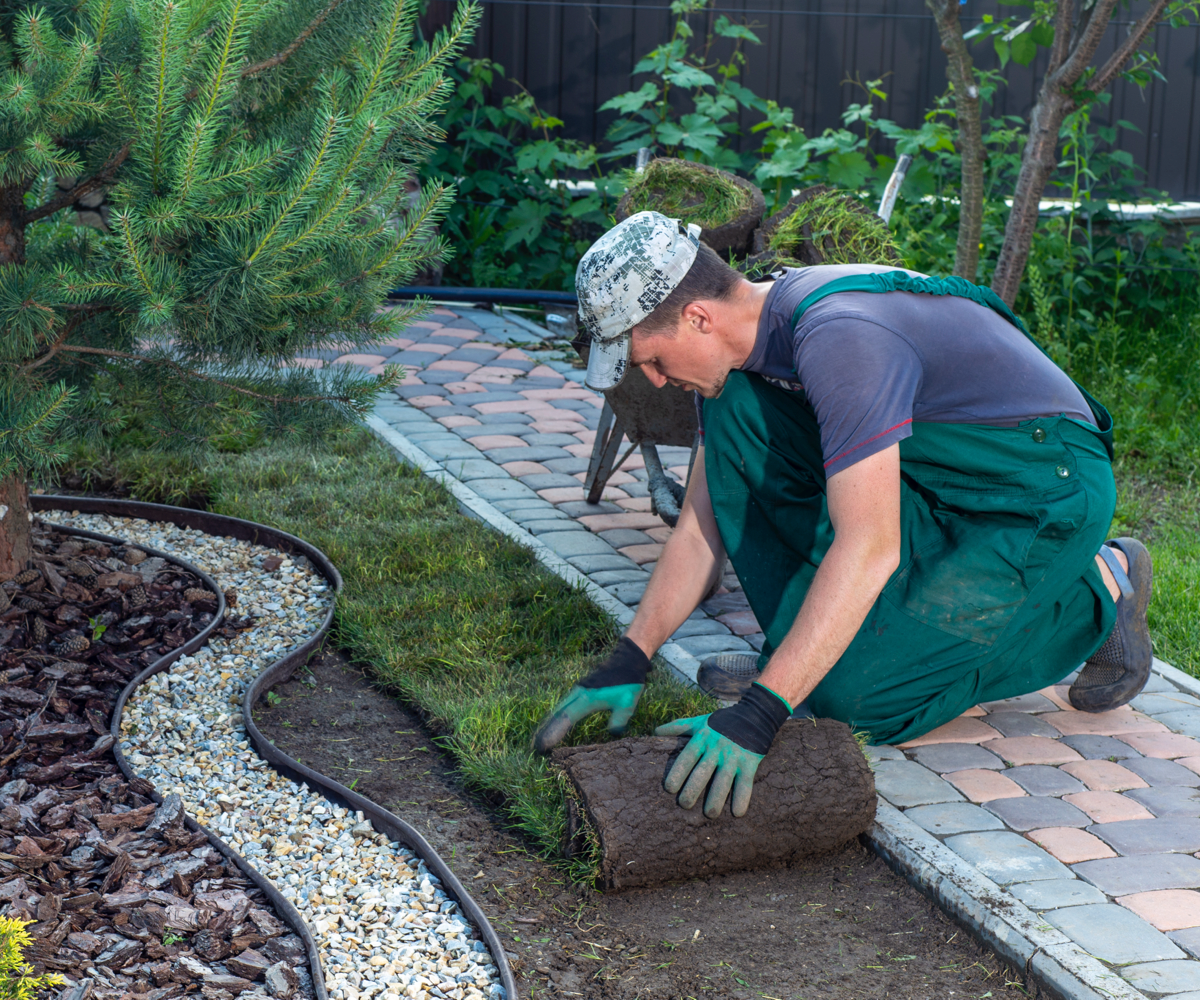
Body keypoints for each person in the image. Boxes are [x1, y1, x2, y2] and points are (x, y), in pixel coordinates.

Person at [534, 211, 1153, 822]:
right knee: (737, 414)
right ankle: (815, 649)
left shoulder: (840, 338)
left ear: (697, 317)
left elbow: (870, 547)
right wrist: (632, 654)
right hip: (936, 475)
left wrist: (762, 711)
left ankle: (1098, 588)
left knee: (853, 703)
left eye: (649, 358)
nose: (655, 380)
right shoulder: (748, 348)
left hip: (1036, 494)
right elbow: (702, 525)